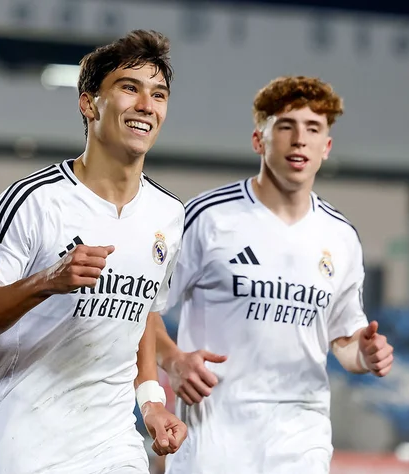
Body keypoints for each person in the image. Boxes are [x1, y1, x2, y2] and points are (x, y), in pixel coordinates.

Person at [0, 30, 187, 474]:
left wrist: (151, 403)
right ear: (89, 103)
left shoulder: (169, 215)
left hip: (109, 444)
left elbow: (144, 314)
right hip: (14, 445)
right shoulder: (33, 200)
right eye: (129, 88)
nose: (146, 106)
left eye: (159, 94)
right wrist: (47, 281)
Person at [152, 76, 395, 474]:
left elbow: (345, 342)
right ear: (258, 140)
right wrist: (173, 359)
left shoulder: (342, 237)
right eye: (285, 126)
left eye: (313, 129)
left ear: (326, 148)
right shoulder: (208, 218)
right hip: (215, 436)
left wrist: (365, 355)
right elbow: (144, 308)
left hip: (301, 436)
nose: (300, 139)